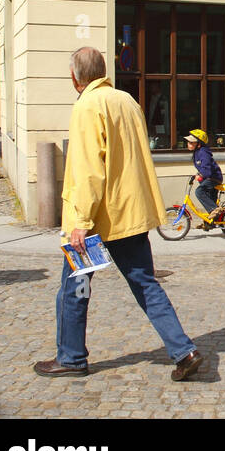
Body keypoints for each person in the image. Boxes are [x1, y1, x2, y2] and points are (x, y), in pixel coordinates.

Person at [34, 47, 203, 381]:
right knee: (145, 284)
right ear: (103, 72)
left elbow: (87, 171)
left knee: (74, 288)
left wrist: (80, 222)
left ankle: (71, 357)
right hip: (131, 213)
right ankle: (184, 351)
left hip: (98, 219)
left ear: (74, 77)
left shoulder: (87, 106)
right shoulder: (127, 100)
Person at [184, 128, 223, 224]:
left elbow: (207, 168)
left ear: (199, 144)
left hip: (214, 178)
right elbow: (202, 168)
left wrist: (201, 175)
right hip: (209, 178)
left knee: (199, 192)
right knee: (210, 199)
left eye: (191, 142)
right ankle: (211, 223)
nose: (188, 144)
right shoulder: (197, 152)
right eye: (188, 142)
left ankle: (215, 210)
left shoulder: (203, 152)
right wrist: (198, 174)